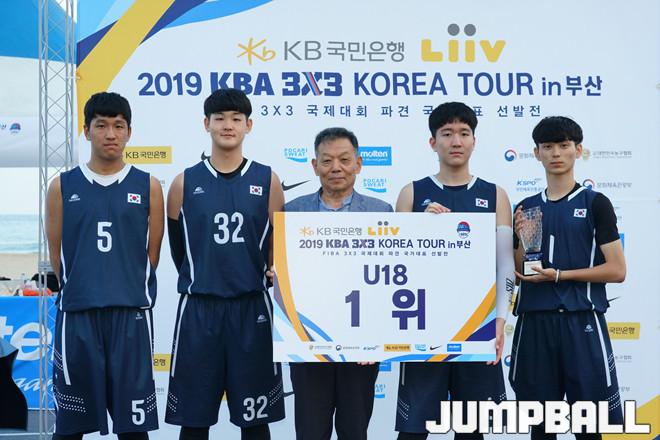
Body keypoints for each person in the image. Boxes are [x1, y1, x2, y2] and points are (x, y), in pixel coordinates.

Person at [165, 88, 285, 440]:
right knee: (194, 420)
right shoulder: (183, 182)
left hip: (251, 307)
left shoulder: (268, 180)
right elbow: (179, 252)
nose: (227, 125)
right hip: (200, 309)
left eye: (236, 118)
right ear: (207, 124)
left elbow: (276, 249)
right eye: (219, 118)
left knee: (255, 419)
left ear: (249, 125)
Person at [46, 92, 164, 439]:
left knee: (134, 429)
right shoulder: (62, 186)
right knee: (70, 429)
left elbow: (152, 256)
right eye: (101, 125)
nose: (110, 134)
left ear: (129, 132)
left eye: (118, 125)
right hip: (78, 316)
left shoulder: (148, 185)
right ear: (86, 131)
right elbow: (58, 256)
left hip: (130, 317)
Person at [394, 102, 514, 439]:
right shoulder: (412, 193)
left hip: (477, 327)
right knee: (413, 431)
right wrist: (420, 228)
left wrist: (499, 322)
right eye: (447, 134)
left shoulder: (495, 195)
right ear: (433, 142)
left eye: (464, 133)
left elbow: (505, 264)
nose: (456, 141)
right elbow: (396, 263)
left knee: (471, 430)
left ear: (474, 140)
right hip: (423, 329)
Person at [510, 116, 626, 440]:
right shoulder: (526, 207)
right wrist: (520, 239)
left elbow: (617, 270)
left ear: (578, 150)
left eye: (563, 145)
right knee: (541, 426)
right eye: (548, 147)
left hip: (581, 321)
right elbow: (519, 274)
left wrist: (560, 275)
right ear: (537, 153)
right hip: (535, 323)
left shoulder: (595, 203)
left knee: (589, 425)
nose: (556, 153)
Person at [285, 127, 392, 440]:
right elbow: (278, 268)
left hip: (362, 343)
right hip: (307, 341)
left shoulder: (381, 211)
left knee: (354, 430)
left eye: (344, 160)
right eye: (327, 160)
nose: (336, 168)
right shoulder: (292, 211)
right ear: (314, 165)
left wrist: (378, 337)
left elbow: (391, 280)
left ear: (358, 164)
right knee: (310, 431)